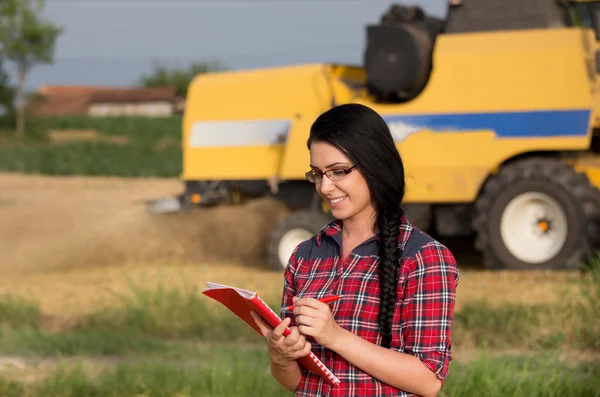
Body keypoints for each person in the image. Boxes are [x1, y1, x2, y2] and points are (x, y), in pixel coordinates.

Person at [250, 103, 459, 397]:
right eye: (317, 174)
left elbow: (428, 381)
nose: (325, 187)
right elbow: (296, 381)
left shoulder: (424, 258)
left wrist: (335, 337)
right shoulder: (305, 256)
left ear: (375, 165)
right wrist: (281, 355)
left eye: (338, 172)